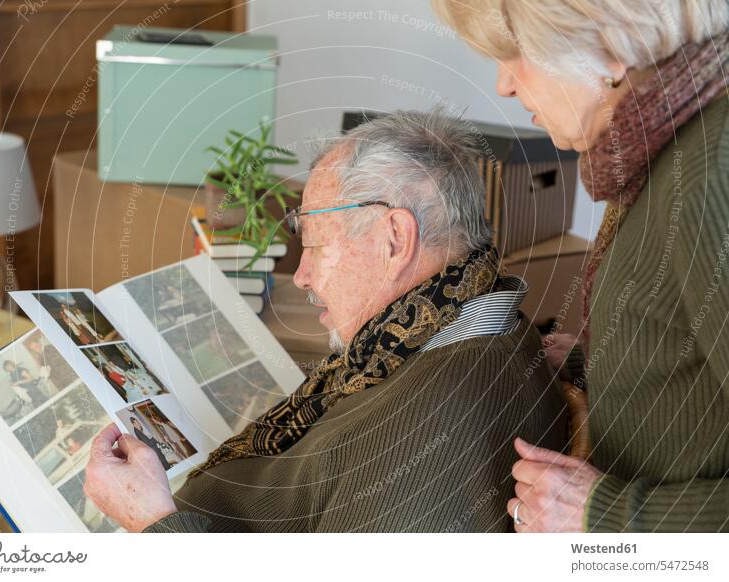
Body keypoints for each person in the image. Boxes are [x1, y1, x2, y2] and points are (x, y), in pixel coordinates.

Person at [82, 109, 568, 533]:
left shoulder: (428, 428)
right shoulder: (460, 323)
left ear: (394, 238)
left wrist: (152, 522)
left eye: (314, 242)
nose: (302, 274)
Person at [432, 0, 729, 532]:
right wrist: (610, 361)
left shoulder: (711, 172)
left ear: (612, 49)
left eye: (515, 52)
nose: (503, 84)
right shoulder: (662, 151)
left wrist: (604, 515)